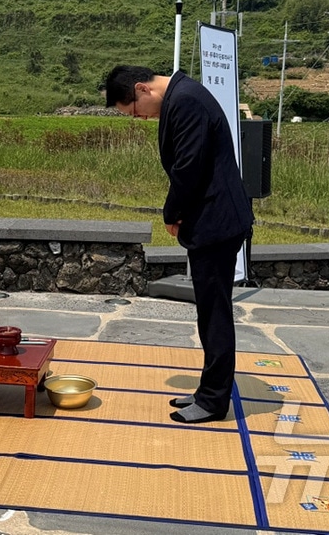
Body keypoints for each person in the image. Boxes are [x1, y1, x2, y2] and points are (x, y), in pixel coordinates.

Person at [102, 65, 253, 424]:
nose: (141, 119)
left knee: (215, 314)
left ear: (142, 89)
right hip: (213, 220)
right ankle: (208, 390)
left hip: (216, 222)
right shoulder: (184, 95)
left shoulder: (185, 101)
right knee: (209, 312)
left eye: (136, 112)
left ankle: (214, 401)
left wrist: (171, 212)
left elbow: (189, 167)